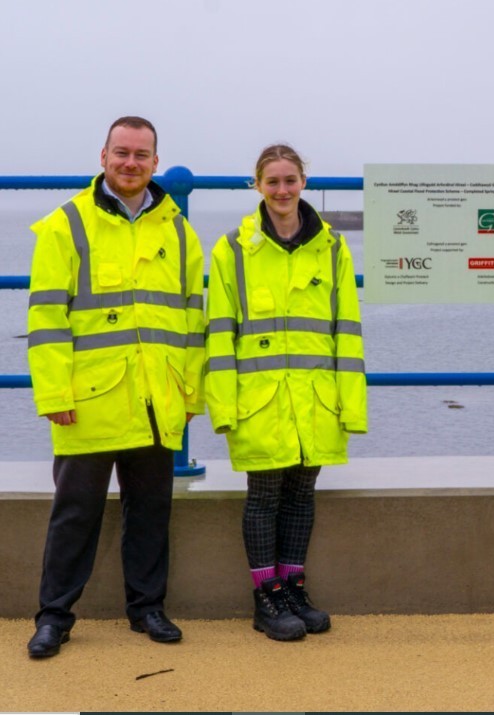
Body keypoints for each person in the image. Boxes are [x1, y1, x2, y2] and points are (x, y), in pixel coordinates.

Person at [25, 116, 206, 658]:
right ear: (102, 156)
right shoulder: (66, 225)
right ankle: (54, 616)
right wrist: (55, 396)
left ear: (156, 161)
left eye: (142, 155)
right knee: (74, 514)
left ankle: (147, 607)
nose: (131, 163)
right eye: (122, 152)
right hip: (88, 401)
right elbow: (47, 320)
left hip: (156, 398)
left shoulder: (177, 228)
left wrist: (190, 394)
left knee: (150, 510)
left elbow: (193, 319)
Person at [205, 144, 367, 641]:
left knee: (302, 494)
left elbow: (348, 329)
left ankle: (294, 586)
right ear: (257, 186)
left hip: (316, 396)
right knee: (264, 496)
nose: (282, 190)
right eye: (272, 182)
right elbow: (219, 332)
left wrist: (351, 406)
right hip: (259, 399)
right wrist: (223, 407)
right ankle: (266, 597)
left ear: (304, 182)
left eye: (290, 180)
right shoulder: (233, 248)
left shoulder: (333, 247)